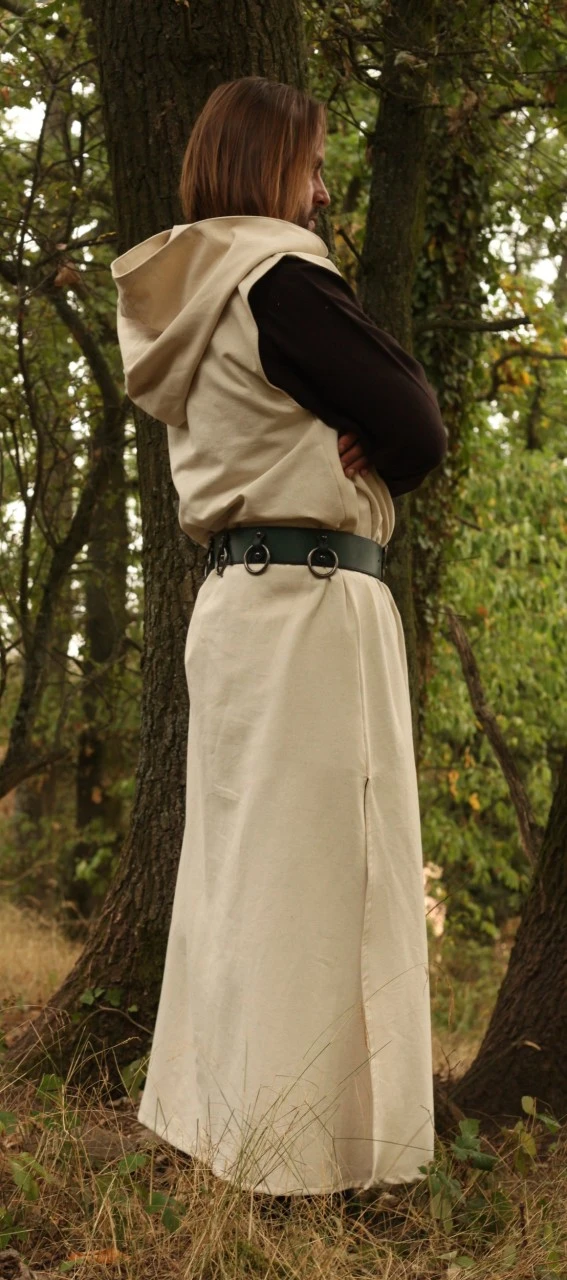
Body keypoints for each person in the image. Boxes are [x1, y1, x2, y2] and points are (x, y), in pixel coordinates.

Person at [111, 76, 448, 1200]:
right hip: (310, 601)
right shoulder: (280, 279)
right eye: (311, 168)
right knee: (314, 886)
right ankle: (303, 1167)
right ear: (271, 169)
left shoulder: (192, 297)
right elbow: (417, 425)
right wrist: (370, 431)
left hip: (236, 606)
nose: (322, 191)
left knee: (243, 885)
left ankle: (236, 1139)